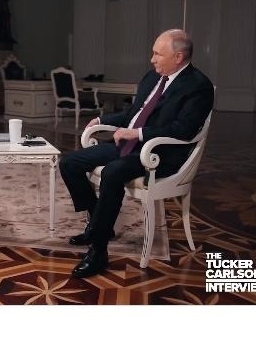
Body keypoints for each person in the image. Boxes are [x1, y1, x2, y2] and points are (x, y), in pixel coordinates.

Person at [59, 29, 214, 278]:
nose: (152, 59)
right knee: (69, 162)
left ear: (178, 57)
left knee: (112, 172)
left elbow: (183, 130)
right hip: (128, 146)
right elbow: (134, 114)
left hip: (159, 154)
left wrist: (138, 134)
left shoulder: (199, 86)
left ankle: (98, 250)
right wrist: (102, 119)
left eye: (157, 54)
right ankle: (99, 222)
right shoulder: (152, 77)